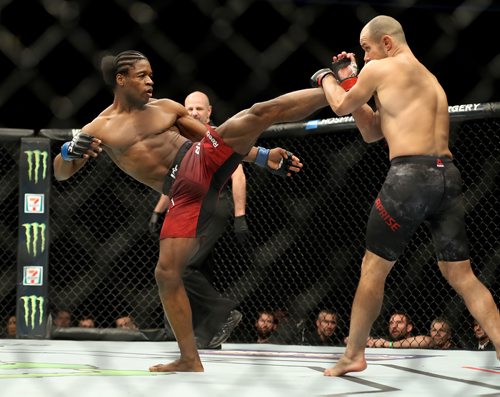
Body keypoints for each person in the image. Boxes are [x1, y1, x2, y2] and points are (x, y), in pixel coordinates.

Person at [53, 50, 328, 372]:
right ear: (121, 79)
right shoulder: (99, 127)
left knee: (257, 112)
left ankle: (339, 92)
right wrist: (68, 150)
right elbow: (61, 173)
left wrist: (262, 155)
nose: (150, 81)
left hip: (200, 159)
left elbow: (213, 138)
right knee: (167, 274)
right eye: (142, 75)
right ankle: (189, 358)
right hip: (182, 193)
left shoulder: (167, 108)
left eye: (151, 74)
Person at [310, 15, 500, 376]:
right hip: (448, 177)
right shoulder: (431, 80)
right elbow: (372, 131)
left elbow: (339, 106)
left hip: (409, 177)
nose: (364, 58)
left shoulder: (382, 69)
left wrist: (327, 78)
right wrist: (351, 79)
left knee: (373, 268)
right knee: (462, 274)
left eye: (366, 49)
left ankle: (353, 354)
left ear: (386, 42)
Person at [149, 91, 247, 349]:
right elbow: (176, 180)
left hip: (214, 205)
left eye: (198, 109)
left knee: (184, 266)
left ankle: (223, 312)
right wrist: (158, 210)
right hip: (188, 206)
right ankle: (206, 334)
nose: (193, 113)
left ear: (209, 111)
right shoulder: (179, 138)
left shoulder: (216, 136)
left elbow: (238, 176)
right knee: (198, 268)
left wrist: (240, 216)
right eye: (189, 109)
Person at [368, 317, 454, 349]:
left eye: (441, 330)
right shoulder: (386, 339)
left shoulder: (420, 341)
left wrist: (389, 344)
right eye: (434, 330)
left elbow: (426, 340)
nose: (437, 334)